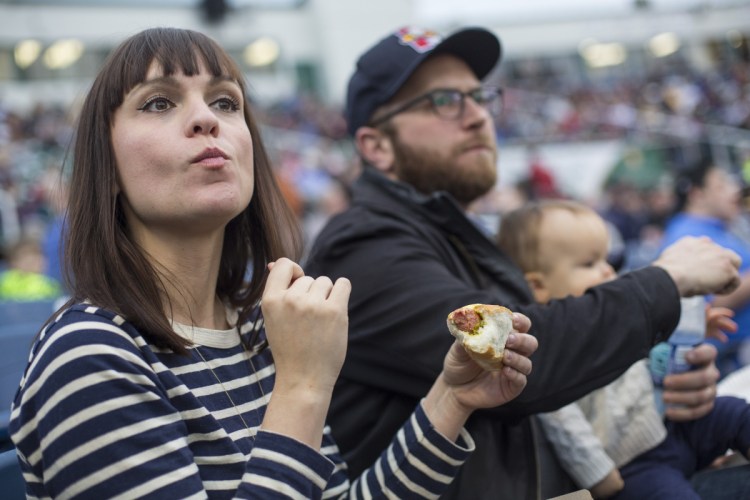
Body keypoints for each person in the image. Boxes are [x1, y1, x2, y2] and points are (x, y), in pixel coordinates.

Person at [8, 27, 540, 499]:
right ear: (107, 165)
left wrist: (450, 400)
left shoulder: (260, 330)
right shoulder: (89, 356)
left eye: (224, 102)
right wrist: (303, 388)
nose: (204, 120)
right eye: (158, 103)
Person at [303, 25, 743, 499]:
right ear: (376, 146)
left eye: (479, 96)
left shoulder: (456, 235)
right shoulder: (363, 246)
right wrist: (666, 284)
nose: (476, 116)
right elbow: (518, 358)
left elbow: (560, 388)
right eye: (445, 100)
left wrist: (660, 379)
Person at [497, 199, 750, 499]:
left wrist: (693, 325)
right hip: (633, 466)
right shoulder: (552, 354)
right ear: (538, 286)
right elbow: (564, 424)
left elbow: (654, 352)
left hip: (672, 428)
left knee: (736, 414)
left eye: (607, 261)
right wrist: (598, 475)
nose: (608, 272)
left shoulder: (616, 320)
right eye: (590, 264)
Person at [661, 158, 750, 376]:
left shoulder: (719, 228)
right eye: (721, 185)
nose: (734, 191)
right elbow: (711, 306)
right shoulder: (686, 237)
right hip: (727, 359)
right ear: (697, 194)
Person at [0, 235, 62, 301]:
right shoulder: (4, 281)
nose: (31, 262)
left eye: (36, 257)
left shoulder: (50, 284)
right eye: (25, 258)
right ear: (13, 262)